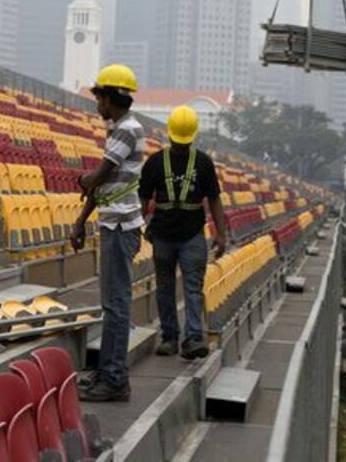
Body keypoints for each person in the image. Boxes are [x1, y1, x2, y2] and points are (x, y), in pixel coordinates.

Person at [71, 64, 145, 403]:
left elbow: (101, 176)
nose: (96, 104)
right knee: (111, 304)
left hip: (120, 226)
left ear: (110, 97)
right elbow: (103, 186)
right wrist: (81, 219)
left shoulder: (127, 130)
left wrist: (84, 180)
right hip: (113, 222)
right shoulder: (119, 128)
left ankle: (115, 379)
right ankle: (107, 372)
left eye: (98, 96)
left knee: (116, 306)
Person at [138, 105, 228, 360]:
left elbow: (214, 199)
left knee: (191, 287)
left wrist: (221, 234)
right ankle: (170, 338)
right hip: (164, 237)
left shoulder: (203, 163)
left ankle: (193, 339)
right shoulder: (155, 163)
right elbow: (143, 200)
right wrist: (138, 229)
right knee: (166, 288)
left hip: (192, 237)